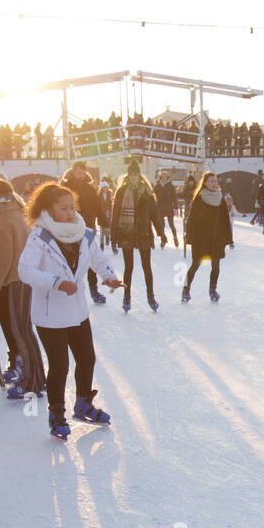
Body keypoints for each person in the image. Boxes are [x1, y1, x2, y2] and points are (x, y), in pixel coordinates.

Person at [16, 182, 124, 440]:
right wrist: (55, 282)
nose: (70, 212)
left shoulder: (85, 234)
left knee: (87, 358)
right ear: (48, 210)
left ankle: (84, 404)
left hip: (77, 311)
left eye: (72, 207)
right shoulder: (39, 238)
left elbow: (99, 260)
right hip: (50, 314)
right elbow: (25, 270)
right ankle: (57, 416)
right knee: (60, 365)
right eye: (63, 208)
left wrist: (108, 276)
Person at [0, 178, 44, 400]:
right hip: (27, 277)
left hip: (15, 280)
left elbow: (2, 258)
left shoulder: (1, 218)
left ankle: (29, 382)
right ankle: (37, 378)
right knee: (26, 330)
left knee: (20, 331)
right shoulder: (18, 212)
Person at [112, 160, 165, 312]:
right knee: (128, 268)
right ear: (128, 175)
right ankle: (126, 296)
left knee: (146, 267)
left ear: (139, 176)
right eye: (131, 175)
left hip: (143, 233)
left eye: (136, 175)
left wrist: (161, 232)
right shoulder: (121, 192)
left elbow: (155, 215)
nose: (133, 177)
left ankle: (151, 296)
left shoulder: (147, 193)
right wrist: (114, 234)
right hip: (126, 232)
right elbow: (115, 215)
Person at [60, 165, 111, 304]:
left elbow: (98, 206)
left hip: (87, 227)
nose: (81, 175)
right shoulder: (65, 187)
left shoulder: (89, 188)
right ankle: (70, 290)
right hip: (68, 228)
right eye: (79, 173)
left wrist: (104, 224)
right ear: (73, 172)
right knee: (70, 260)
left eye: (83, 173)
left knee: (89, 259)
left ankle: (94, 291)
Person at [183, 171, 234, 303]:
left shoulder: (220, 198)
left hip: (216, 238)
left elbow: (225, 220)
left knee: (216, 265)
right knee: (195, 264)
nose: (213, 184)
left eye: (215, 181)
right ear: (205, 183)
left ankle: (212, 290)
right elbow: (192, 220)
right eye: (211, 181)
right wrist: (190, 237)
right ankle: (186, 289)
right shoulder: (200, 198)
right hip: (201, 238)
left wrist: (227, 238)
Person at [153, 168, 180, 248]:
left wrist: (175, 207)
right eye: (163, 176)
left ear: (168, 177)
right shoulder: (157, 185)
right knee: (161, 225)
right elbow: (154, 196)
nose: (164, 178)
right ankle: (163, 239)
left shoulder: (170, 185)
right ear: (161, 177)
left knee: (171, 224)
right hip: (160, 207)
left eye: (166, 176)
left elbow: (174, 197)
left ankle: (175, 238)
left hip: (168, 207)